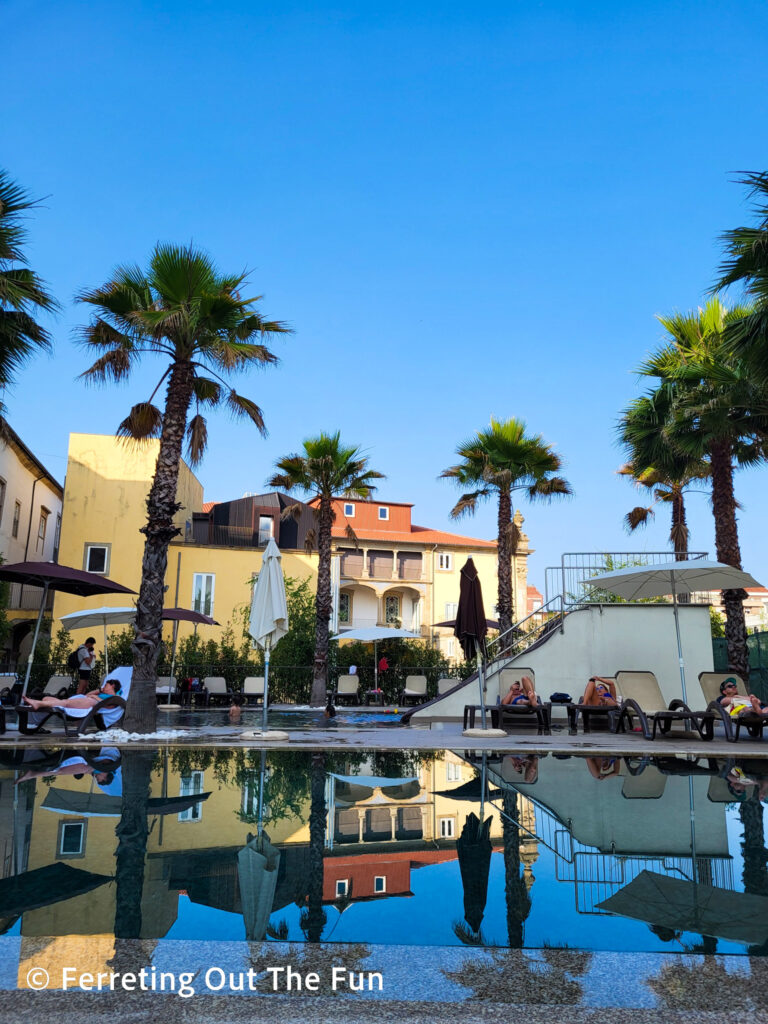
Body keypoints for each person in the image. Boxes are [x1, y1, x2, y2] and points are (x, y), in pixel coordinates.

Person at [21, 676, 121, 712]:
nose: (104, 687)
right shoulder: (101, 693)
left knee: (65, 703)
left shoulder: (116, 696)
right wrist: (99, 690)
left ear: (112, 685)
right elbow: (87, 695)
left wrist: (95, 697)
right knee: (46, 698)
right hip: (87, 699)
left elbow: (109, 707)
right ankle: (40, 702)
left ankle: (37, 704)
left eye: (106, 685)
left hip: (93, 703)